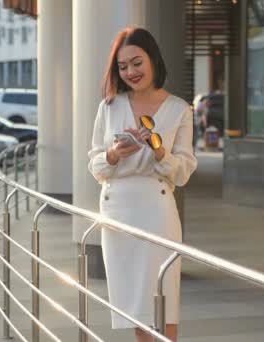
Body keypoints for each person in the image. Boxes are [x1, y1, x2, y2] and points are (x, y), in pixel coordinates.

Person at [88, 27, 198, 342]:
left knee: (165, 295)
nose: (130, 72)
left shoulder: (179, 109)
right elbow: (95, 163)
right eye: (123, 67)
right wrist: (112, 155)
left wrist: (160, 151)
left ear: (153, 59)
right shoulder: (108, 107)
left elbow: (183, 172)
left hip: (157, 210)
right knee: (133, 302)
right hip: (117, 212)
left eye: (137, 62)